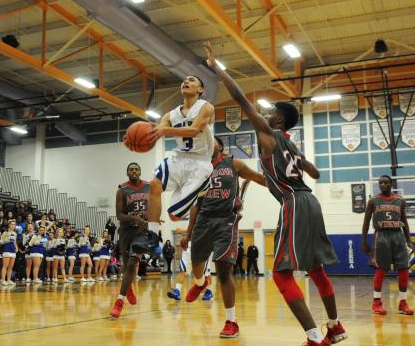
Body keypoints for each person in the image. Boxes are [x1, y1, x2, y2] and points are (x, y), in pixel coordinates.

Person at [207, 41, 346, 346]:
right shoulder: (291, 144)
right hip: (310, 201)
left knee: (282, 276)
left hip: (294, 203)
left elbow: (241, 99)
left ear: (279, 120)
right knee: (315, 269)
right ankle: (335, 327)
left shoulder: (269, 135)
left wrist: (218, 69)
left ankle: (313, 336)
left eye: (270, 113)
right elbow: (315, 173)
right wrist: (307, 169)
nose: (265, 115)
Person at [182, 135, 267, 338]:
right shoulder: (199, 170)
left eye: (211, 142)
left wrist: (281, 187)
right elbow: (195, 204)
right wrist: (188, 233)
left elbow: (257, 178)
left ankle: (231, 321)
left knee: (223, 269)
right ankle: (201, 283)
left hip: (226, 221)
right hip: (203, 220)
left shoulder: (234, 163)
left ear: (220, 146)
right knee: (196, 265)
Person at [147, 73, 216, 224]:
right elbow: (158, 131)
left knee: (174, 217)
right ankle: (151, 233)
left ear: (200, 89)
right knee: (154, 184)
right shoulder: (170, 115)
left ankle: (200, 193)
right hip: (179, 159)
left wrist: (164, 130)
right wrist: (146, 135)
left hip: (200, 164)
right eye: (184, 80)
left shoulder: (206, 107)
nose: (186, 81)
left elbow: (193, 130)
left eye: (191, 80)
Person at [361, 175, 413, 315]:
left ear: (391, 184)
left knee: (403, 268)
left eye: (385, 182)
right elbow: (366, 222)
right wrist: (364, 241)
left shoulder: (400, 200)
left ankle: (402, 304)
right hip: (381, 236)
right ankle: (376, 303)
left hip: (398, 235)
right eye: (380, 183)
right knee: (381, 269)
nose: (383, 185)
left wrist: (408, 239)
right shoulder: (373, 201)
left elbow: (404, 221)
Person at [110, 162, 152, 318]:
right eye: (131, 170)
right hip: (126, 230)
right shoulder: (122, 190)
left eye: (136, 169)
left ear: (140, 172)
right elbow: (119, 215)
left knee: (134, 262)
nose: (134, 171)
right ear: (127, 173)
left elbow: (153, 205)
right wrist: (135, 218)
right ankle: (129, 289)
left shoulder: (149, 186)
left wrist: (154, 215)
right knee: (127, 266)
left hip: (142, 232)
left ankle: (119, 302)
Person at [0, 220, 18, 286]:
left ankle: (8, 280)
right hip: (6, 250)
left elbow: (14, 242)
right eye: (12, 224)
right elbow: (1, 241)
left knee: (10, 267)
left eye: (14, 224)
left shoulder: (15, 233)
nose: (13, 225)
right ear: (9, 225)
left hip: (13, 251)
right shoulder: (5, 232)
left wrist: (16, 247)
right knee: (5, 266)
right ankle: (3, 280)